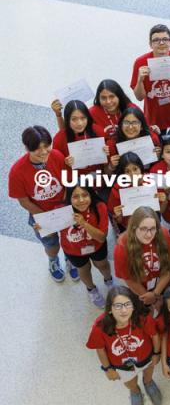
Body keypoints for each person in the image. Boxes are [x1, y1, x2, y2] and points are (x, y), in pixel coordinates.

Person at [86, 286, 162, 405]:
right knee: (130, 382)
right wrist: (108, 369)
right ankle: (135, 391)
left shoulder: (143, 317)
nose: (124, 310)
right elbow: (100, 349)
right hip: (120, 364)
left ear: (134, 306)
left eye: (128, 304)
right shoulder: (100, 326)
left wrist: (156, 353)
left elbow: (154, 335)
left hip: (146, 356)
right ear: (110, 308)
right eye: (118, 306)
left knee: (148, 372)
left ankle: (148, 382)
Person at [8, 126, 72, 282]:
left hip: (64, 208)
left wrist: (64, 206)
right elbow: (23, 200)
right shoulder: (17, 171)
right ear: (26, 148)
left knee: (70, 239)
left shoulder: (57, 156)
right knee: (51, 244)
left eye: (46, 146)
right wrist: (45, 219)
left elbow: (67, 183)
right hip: (40, 213)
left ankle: (71, 259)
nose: (44, 152)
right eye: (37, 148)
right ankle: (53, 261)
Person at [58, 185, 113, 308]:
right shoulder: (61, 211)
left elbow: (101, 237)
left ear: (91, 195)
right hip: (73, 249)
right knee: (83, 269)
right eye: (76, 197)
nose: (81, 200)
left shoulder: (100, 207)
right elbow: (51, 232)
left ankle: (109, 280)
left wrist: (83, 223)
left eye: (85, 195)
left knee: (103, 264)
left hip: (97, 245)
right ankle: (91, 290)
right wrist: (42, 228)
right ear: (69, 199)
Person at [114, 207, 170, 309]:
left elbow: (169, 267)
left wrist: (155, 293)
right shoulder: (122, 247)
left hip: (164, 284)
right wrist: (150, 298)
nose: (149, 234)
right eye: (143, 229)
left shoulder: (164, 235)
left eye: (152, 228)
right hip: (140, 290)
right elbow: (129, 279)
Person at [51, 99, 107, 176]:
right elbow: (56, 166)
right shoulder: (59, 139)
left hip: (101, 176)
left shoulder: (96, 130)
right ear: (67, 120)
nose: (79, 123)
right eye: (74, 119)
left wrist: (107, 150)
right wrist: (65, 164)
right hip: (75, 180)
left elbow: (110, 144)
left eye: (83, 118)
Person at [106, 106, 161, 172]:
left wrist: (159, 157)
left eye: (135, 123)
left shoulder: (152, 139)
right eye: (126, 123)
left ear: (141, 126)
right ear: (121, 125)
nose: (130, 127)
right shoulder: (112, 144)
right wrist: (111, 166)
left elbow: (161, 167)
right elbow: (107, 174)